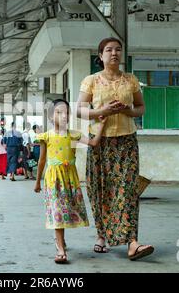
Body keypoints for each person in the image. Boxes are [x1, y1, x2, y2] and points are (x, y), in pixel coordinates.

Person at [76, 37, 154, 261]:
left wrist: (128, 110)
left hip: (127, 142)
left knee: (128, 191)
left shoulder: (131, 80)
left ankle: (132, 243)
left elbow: (141, 108)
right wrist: (103, 110)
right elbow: (80, 110)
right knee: (100, 190)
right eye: (108, 50)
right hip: (100, 142)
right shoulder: (91, 81)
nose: (114, 53)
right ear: (100, 56)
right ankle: (102, 234)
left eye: (118, 50)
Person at [34, 99, 106, 264]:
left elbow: (94, 143)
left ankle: (60, 242)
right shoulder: (46, 137)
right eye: (59, 112)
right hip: (53, 180)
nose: (63, 116)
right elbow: (42, 160)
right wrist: (38, 181)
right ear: (51, 117)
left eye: (66, 112)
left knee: (66, 211)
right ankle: (60, 249)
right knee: (57, 212)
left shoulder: (74, 135)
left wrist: (101, 124)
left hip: (69, 180)